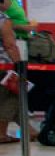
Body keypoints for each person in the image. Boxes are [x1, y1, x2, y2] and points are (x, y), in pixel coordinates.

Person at [0, 13, 27, 143]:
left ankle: (30, 131)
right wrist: (18, 65)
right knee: (10, 97)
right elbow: (10, 44)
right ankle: (1, 133)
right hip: (3, 65)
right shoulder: (2, 18)